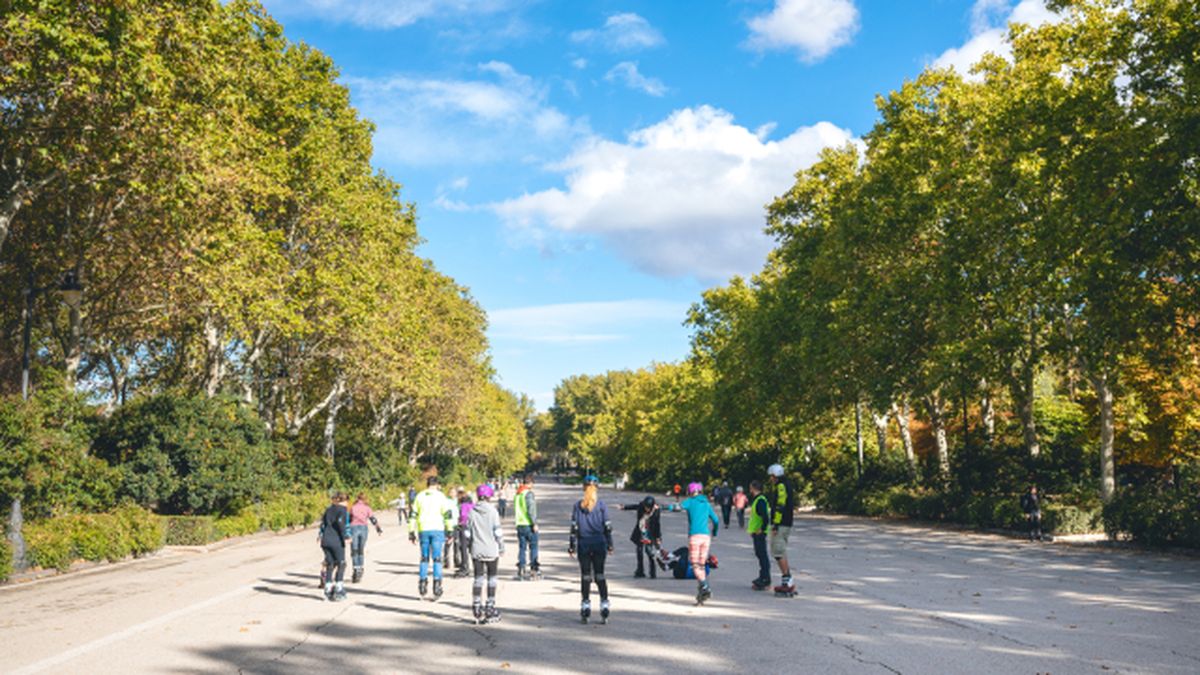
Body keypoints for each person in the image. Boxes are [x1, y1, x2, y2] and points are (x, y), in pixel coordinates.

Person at [663, 482, 720, 604]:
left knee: (695, 565)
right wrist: (714, 532)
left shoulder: (690, 501)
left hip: (695, 537)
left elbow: (676, 507)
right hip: (706, 537)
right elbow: (716, 520)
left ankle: (704, 586)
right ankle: (702, 592)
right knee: (702, 565)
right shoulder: (706, 503)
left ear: (690, 491)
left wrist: (662, 507)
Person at [569, 475, 614, 623]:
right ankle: (604, 604)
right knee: (600, 575)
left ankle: (586, 605)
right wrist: (610, 544)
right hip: (599, 542)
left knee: (586, 576)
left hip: (584, 544)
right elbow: (607, 526)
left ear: (583, 488)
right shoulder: (601, 505)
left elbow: (574, 528)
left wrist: (571, 546)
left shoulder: (578, 506)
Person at [409, 476, 455, 600]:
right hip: (437, 529)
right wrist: (450, 531)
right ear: (437, 484)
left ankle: (423, 583)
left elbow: (413, 514)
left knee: (424, 558)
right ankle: (437, 584)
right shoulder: (441, 497)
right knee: (437, 559)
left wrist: (411, 532)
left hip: (423, 529)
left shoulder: (420, 496)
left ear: (427, 484)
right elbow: (448, 514)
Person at [468, 483, 505, 624]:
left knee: (478, 579)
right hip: (491, 549)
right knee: (491, 578)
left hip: (477, 549)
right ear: (489, 496)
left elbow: (467, 533)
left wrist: (470, 546)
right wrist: (501, 546)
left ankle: (476, 608)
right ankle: (490, 607)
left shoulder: (472, 511)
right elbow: (497, 531)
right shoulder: (493, 511)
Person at [766, 464, 796, 596]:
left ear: (775, 475)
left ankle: (787, 580)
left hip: (782, 523)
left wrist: (776, 524)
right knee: (780, 551)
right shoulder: (786, 484)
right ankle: (787, 580)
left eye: (771, 477)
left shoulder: (781, 486)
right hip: (786, 522)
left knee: (778, 551)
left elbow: (780, 506)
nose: (770, 479)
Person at [617, 495, 664, 578]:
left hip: (650, 532)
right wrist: (624, 507)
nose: (647, 509)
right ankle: (640, 570)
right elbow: (635, 506)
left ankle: (652, 572)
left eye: (648, 508)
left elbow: (657, 524)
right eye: (645, 507)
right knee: (639, 550)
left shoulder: (656, 511)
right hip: (640, 530)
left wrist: (658, 537)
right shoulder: (641, 506)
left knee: (649, 551)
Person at [319, 492, 350, 601]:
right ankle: (338, 588)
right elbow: (341, 524)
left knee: (330, 564)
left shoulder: (329, 509)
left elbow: (323, 524)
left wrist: (320, 536)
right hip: (336, 541)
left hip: (325, 541)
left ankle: (328, 588)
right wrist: (346, 536)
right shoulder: (342, 510)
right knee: (341, 563)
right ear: (345, 501)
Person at [348, 493, 384, 584]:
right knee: (361, 550)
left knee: (354, 550)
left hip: (354, 528)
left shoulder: (353, 507)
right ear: (365, 499)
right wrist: (378, 528)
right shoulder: (367, 508)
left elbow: (348, 519)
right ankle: (360, 568)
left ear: (357, 498)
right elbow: (373, 519)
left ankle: (356, 568)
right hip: (363, 529)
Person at [514, 475, 541, 580]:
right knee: (533, 547)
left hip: (519, 524)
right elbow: (531, 510)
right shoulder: (528, 494)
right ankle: (534, 568)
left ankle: (521, 567)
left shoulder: (518, 494)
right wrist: (534, 523)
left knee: (522, 548)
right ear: (530, 483)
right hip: (528, 524)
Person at [747, 481, 772, 590]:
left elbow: (765, 517)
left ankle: (765, 578)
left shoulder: (760, 500)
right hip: (756, 532)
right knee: (760, 554)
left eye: (750, 488)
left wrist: (761, 529)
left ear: (754, 488)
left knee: (762, 555)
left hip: (760, 533)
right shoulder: (758, 499)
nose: (750, 490)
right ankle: (763, 576)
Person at [455, 488, 475, 577]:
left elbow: (463, 515)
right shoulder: (472, 505)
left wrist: (460, 522)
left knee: (463, 547)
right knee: (471, 547)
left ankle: (465, 567)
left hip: (464, 527)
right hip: (472, 527)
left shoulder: (463, 505)